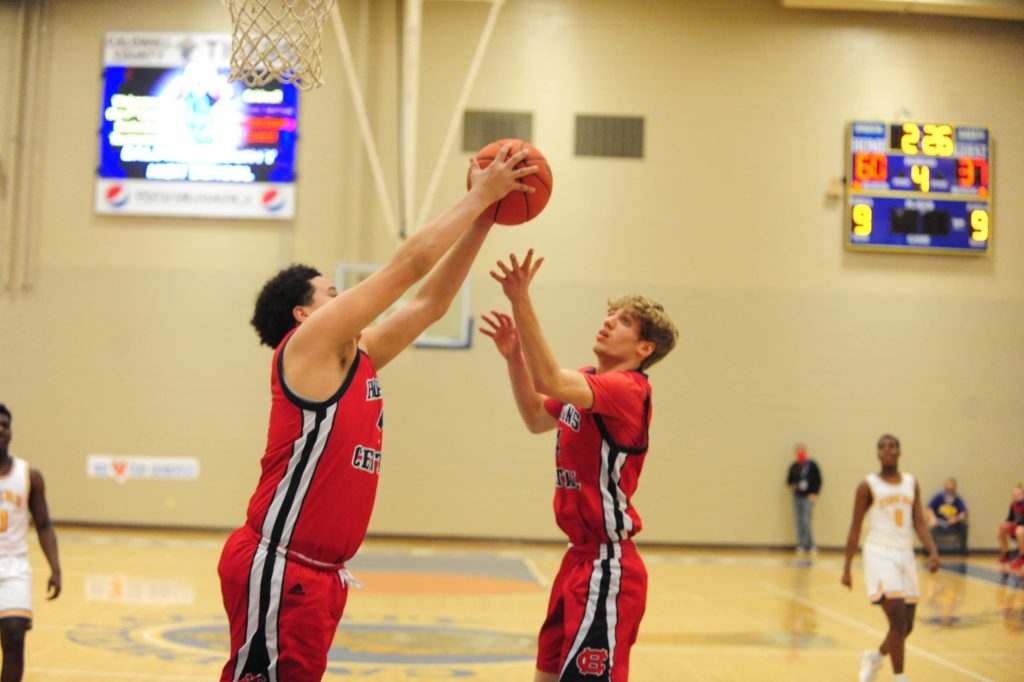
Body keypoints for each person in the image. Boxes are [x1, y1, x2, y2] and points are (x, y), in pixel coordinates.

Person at [217, 144, 537, 682]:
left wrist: (485, 217)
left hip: (318, 573)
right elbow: (407, 268)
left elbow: (428, 305)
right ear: (304, 315)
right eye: (332, 294)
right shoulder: (305, 347)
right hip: (280, 564)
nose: (346, 299)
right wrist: (481, 194)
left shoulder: (356, 356)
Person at [481, 250, 678, 682]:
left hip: (609, 565)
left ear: (645, 348)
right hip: (578, 560)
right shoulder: (589, 381)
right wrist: (514, 357)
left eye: (624, 321)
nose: (608, 322)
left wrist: (520, 298)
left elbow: (549, 379)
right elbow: (536, 417)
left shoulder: (627, 390)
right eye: (611, 315)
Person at [841, 433, 940, 682]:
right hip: (880, 554)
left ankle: (875, 657)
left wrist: (933, 550)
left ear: (899, 451)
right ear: (877, 454)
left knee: (908, 625)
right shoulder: (867, 486)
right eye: (882, 447)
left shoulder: (911, 483)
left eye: (892, 446)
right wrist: (847, 567)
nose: (887, 450)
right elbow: (855, 527)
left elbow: (919, 521)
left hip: (905, 554)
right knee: (897, 622)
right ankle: (900, 677)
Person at [0, 404, 61, 682]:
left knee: (14, 635)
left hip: (14, 567)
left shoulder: (29, 475)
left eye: (5, 425)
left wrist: (55, 568)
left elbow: (44, 525)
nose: (1, 430)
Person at [786, 442, 822, 556]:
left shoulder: (812, 465)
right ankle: (801, 544)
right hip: (797, 496)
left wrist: (814, 493)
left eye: (802, 452)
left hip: (808, 496)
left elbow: (818, 480)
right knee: (798, 520)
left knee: (806, 520)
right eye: (798, 452)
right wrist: (791, 486)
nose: (800, 454)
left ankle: (810, 544)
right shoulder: (794, 466)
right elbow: (789, 480)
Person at [925, 477, 968, 555]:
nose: (950, 488)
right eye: (948, 485)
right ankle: (931, 550)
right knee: (932, 527)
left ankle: (962, 550)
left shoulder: (958, 499)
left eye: (952, 486)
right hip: (940, 522)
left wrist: (956, 518)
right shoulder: (939, 497)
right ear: (945, 486)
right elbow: (929, 508)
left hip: (953, 523)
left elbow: (964, 513)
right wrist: (932, 518)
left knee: (964, 524)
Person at [997, 483, 1024, 574]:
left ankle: (1022, 556)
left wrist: (1016, 525)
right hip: (1017, 527)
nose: (1016, 496)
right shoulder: (1013, 505)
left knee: (1020, 530)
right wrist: (1006, 524)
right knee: (1002, 526)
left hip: (1021, 529)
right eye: (1015, 495)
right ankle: (1006, 554)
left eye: (1019, 494)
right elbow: (1010, 519)